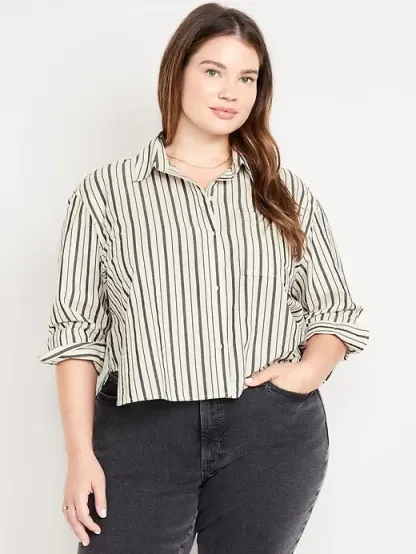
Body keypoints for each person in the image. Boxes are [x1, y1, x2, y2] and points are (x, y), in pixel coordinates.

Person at [38, 3, 370, 553]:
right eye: (213, 71)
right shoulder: (105, 194)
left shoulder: (282, 193)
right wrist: (79, 454)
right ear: (178, 72)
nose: (230, 92)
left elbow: (334, 311)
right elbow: (77, 334)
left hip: (268, 433)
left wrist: (306, 375)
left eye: (247, 78)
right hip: (142, 432)